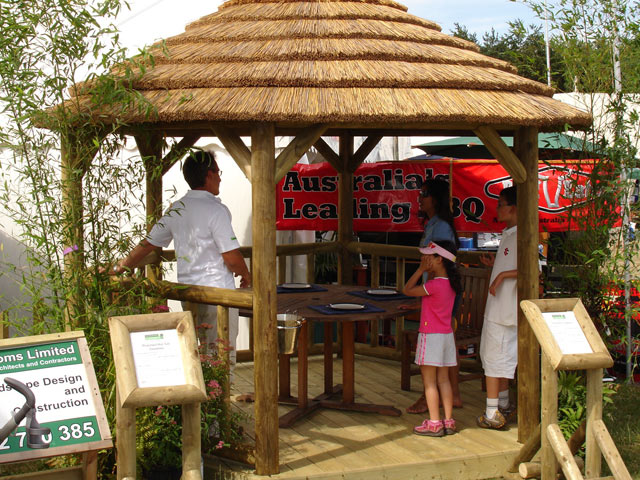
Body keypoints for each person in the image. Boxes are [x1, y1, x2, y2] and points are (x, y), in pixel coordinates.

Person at [111, 150, 251, 363]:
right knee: (223, 353)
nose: (220, 177)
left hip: (189, 293)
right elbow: (231, 257)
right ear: (209, 175)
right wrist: (246, 274)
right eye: (218, 172)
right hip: (219, 294)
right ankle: (221, 395)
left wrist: (122, 266)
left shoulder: (177, 208)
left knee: (201, 352)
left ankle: (205, 395)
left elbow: (148, 243)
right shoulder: (216, 210)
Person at [406, 178, 463, 414]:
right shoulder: (434, 223)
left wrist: (425, 276)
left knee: (437, 352)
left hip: (439, 294)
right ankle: (451, 396)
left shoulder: (441, 227)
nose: (421, 197)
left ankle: (431, 397)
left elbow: (446, 260)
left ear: (436, 198)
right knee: (445, 346)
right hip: (436, 292)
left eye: (425, 193)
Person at [402, 240, 462, 437]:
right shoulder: (451, 284)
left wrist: (420, 270)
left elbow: (407, 290)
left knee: (429, 382)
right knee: (443, 380)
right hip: (446, 337)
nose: (425, 258)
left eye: (430, 255)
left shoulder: (434, 285)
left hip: (431, 336)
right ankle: (448, 421)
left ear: (440, 260)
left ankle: (434, 422)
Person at [476, 186, 518, 429]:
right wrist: (497, 267)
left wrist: (501, 275)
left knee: (495, 358)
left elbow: (531, 269)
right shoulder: (509, 234)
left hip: (504, 311)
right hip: (500, 309)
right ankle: (502, 404)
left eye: (500, 204)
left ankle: (493, 412)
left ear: (511, 208)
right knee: (499, 358)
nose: (497, 209)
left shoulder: (520, 234)